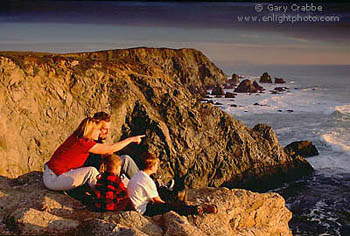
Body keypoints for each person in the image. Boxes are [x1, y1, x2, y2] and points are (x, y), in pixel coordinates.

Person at [43, 117, 145, 191]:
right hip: (54, 178)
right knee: (91, 172)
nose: (100, 132)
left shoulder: (78, 138)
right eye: (98, 130)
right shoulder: (83, 143)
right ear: (91, 131)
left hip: (53, 174)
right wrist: (131, 139)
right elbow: (109, 149)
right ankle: (105, 195)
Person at [127, 152, 218, 217]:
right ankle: (196, 209)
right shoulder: (147, 180)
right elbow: (157, 201)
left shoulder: (138, 175)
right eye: (156, 165)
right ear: (151, 167)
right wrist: (170, 205)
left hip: (138, 203)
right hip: (144, 209)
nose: (157, 167)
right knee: (170, 206)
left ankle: (177, 196)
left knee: (162, 190)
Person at [84, 112, 140, 185]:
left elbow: (110, 156)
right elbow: (110, 150)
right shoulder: (88, 141)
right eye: (104, 129)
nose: (107, 132)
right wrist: (131, 139)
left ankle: (144, 185)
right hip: (95, 175)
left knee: (125, 160)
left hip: (103, 169)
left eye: (108, 129)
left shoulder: (98, 140)